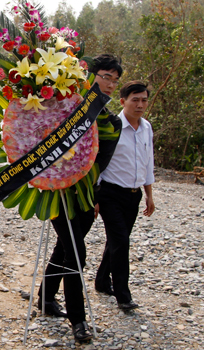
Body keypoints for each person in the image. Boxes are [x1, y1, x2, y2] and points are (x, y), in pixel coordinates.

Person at [34, 54, 124, 342]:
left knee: (65, 246)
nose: (109, 84)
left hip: (86, 196)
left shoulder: (111, 123)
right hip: (58, 192)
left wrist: (95, 195)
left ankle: (46, 298)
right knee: (77, 252)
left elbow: (101, 164)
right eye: (105, 76)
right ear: (90, 75)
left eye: (114, 79)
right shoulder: (64, 107)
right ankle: (78, 321)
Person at [95, 81, 155, 311]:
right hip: (110, 192)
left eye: (144, 100)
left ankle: (101, 281)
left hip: (134, 194)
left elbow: (148, 162)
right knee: (121, 241)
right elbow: (99, 160)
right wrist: (95, 196)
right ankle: (123, 295)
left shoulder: (147, 128)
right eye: (135, 100)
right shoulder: (112, 126)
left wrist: (149, 195)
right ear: (122, 102)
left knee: (116, 240)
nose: (140, 104)